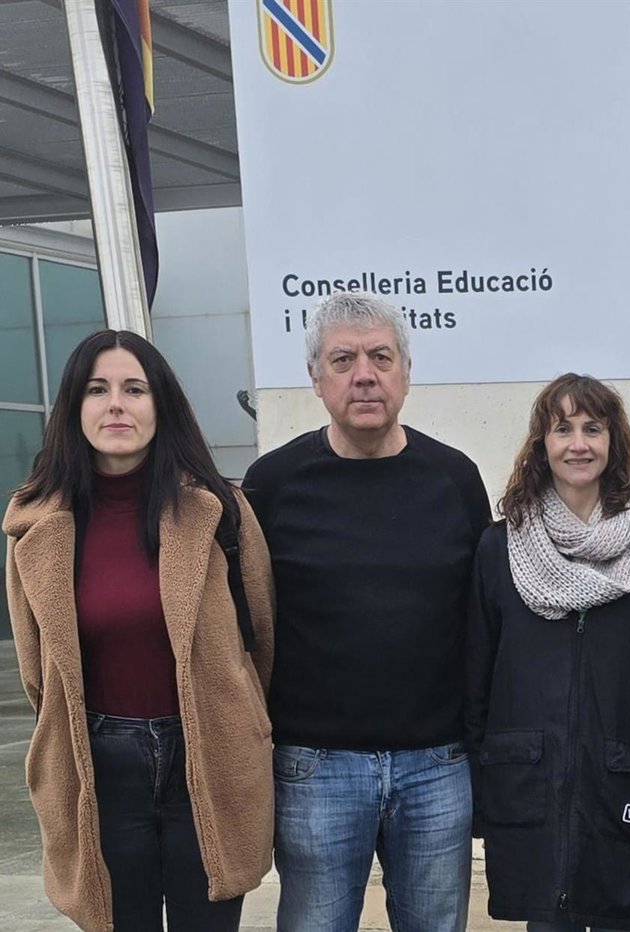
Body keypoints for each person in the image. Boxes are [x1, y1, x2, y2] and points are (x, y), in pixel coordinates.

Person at [3, 330, 274, 932]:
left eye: (134, 389)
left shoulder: (221, 510)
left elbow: (260, 640)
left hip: (211, 755)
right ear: (74, 408)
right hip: (99, 768)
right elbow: (37, 672)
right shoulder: (34, 523)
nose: (116, 406)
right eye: (96, 390)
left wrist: (243, 719)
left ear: (161, 403)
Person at [241, 292, 491, 932]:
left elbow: (482, 619)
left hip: (437, 764)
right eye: (342, 360)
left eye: (381, 357)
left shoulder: (455, 479)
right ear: (315, 377)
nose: (364, 375)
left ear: (406, 372)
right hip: (314, 767)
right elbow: (245, 624)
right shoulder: (273, 484)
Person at [466, 374, 630, 932]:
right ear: (541, 443)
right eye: (562, 429)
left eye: (593, 429)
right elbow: (476, 679)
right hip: (532, 795)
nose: (578, 444)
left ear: (614, 441)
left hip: (629, 794)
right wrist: (478, 790)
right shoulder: (500, 550)